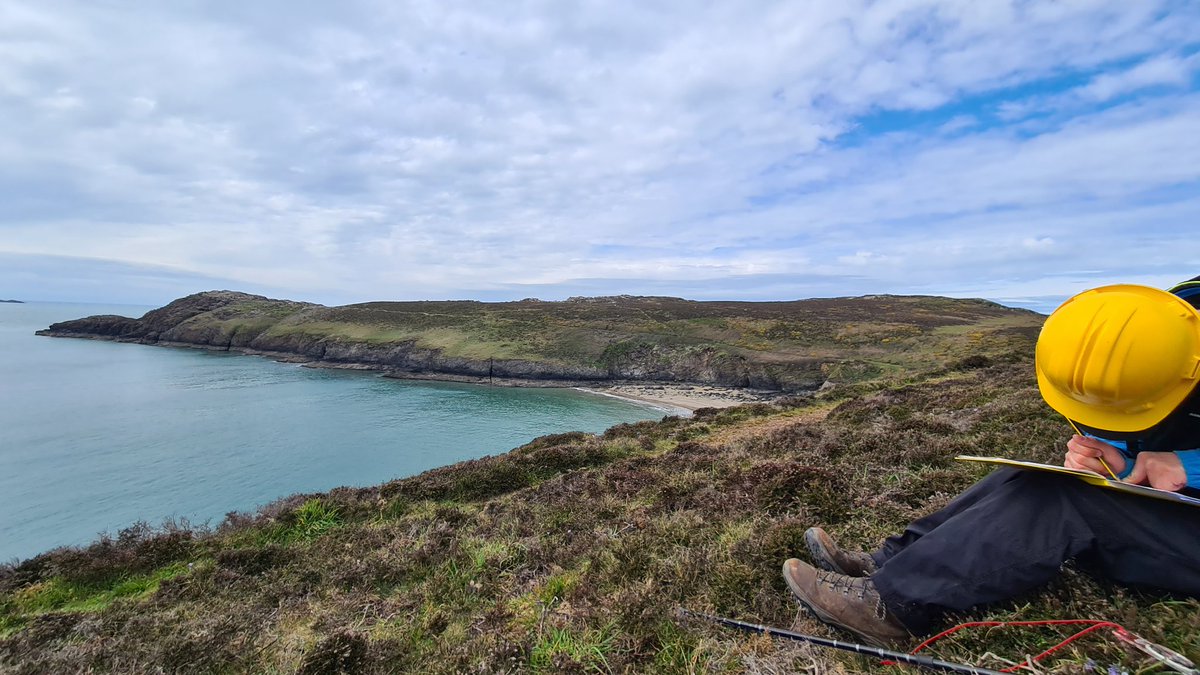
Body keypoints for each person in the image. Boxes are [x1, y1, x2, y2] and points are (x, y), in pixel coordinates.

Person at [782, 278, 1200, 647]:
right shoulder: (1169, 325)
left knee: (1066, 503)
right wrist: (1119, 466)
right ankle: (887, 560)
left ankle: (892, 606)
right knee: (1033, 477)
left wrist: (1189, 466)